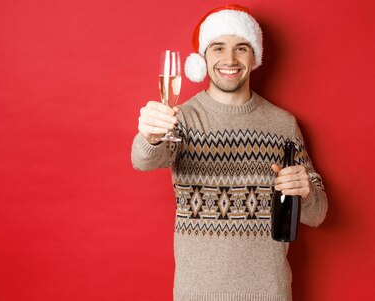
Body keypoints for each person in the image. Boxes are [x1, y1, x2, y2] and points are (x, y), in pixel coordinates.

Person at [131, 4, 327, 301]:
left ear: (255, 57)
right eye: (218, 48)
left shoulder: (283, 124)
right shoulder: (181, 119)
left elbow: (318, 215)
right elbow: (143, 160)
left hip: (269, 293)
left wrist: (307, 192)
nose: (229, 59)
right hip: (197, 294)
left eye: (241, 48)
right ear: (203, 58)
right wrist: (150, 135)